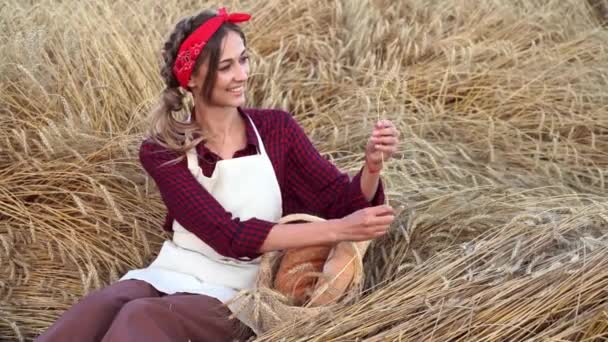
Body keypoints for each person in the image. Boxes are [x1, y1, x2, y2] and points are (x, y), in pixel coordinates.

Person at [37, 7, 399, 342]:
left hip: (242, 288)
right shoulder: (163, 149)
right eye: (226, 66)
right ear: (192, 78)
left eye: (243, 60)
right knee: (99, 307)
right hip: (174, 268)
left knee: (141, 318)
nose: (242, 75)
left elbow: (339, 199)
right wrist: (341, 228)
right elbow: (228, 235)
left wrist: (371, 167)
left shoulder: (276, 130)